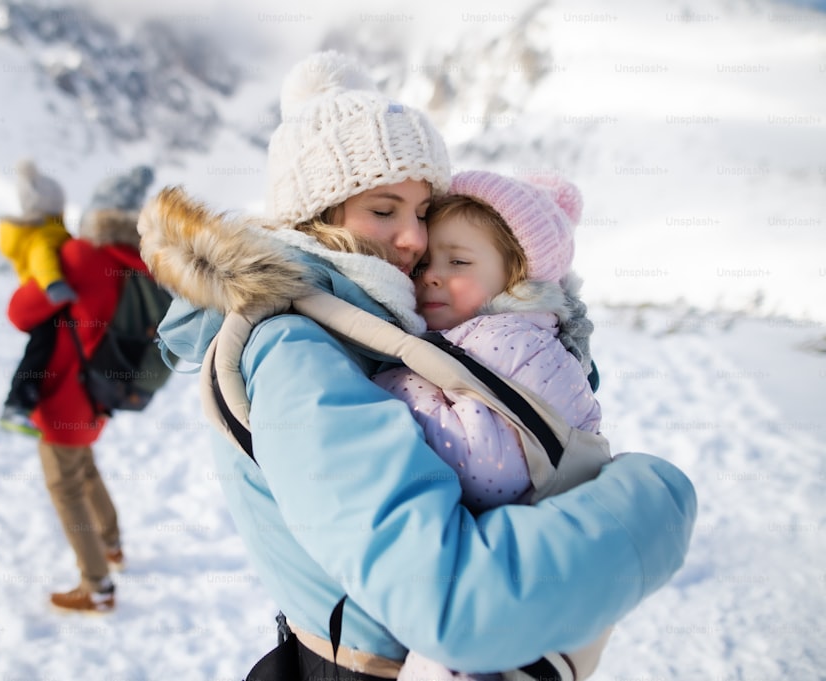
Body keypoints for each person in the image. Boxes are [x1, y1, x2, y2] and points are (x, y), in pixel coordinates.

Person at [141, 51, 696, 679]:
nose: (412, 239)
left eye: (423, 212)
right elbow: (454, 605)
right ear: (315, 216)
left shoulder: (369, 327)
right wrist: (652, 500)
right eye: (384, 210)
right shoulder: (292, 349)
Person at [371, 170, 604, 681]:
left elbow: (484, 468)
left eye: (458, 262)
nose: (431, 275)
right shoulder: (475, 336)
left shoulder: (508, 339)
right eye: (426, 262)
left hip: (506, 577)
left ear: (516, 278)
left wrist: (385, 384)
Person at [6, 206, 149, 613]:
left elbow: (20, 312)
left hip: (64, 395)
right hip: (104, 395)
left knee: (66, 486)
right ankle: (112, 545)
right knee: (84, 469)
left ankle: (97, 586)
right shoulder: (135, 261)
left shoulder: (81, 256)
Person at [0, 160, 78, 435]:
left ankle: (24, 405)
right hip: (46, 300)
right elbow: (42, 259)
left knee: (41, 351)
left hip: (40, 304)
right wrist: (54, 283)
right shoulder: (44, 234)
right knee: (40, 353)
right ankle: (15, 406)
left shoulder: (40, 231)